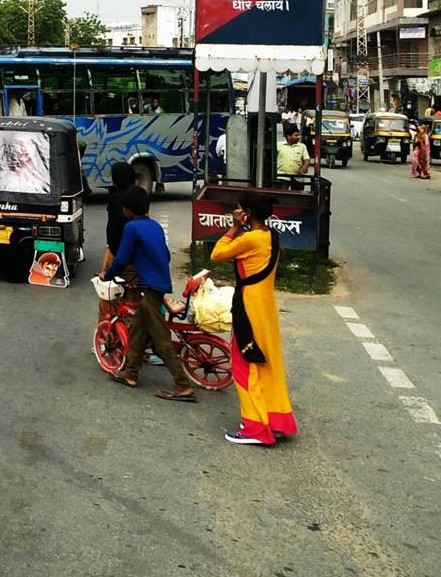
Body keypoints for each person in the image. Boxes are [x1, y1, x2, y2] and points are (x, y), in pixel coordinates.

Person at [210, 193, 296, 445]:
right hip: (265, 308)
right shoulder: (270, 236)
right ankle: (274, 419)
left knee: (244, 365)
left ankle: (255, 427)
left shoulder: (249, 239)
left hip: (248, 308)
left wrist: (234, 227)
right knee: (268, 365)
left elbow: (217, 254)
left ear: (246, 213)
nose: (235, 213)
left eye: (238, 210)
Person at [100, 186, 195, 401]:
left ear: (128, 210)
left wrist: (108, 274)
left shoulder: (131, 228)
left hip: (149, 287)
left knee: (160, 338)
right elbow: (165, 256)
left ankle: (183, 385)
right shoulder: (155, 226)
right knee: (138, 330)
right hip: (158, 283)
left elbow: (122, 259)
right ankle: (130, 374)